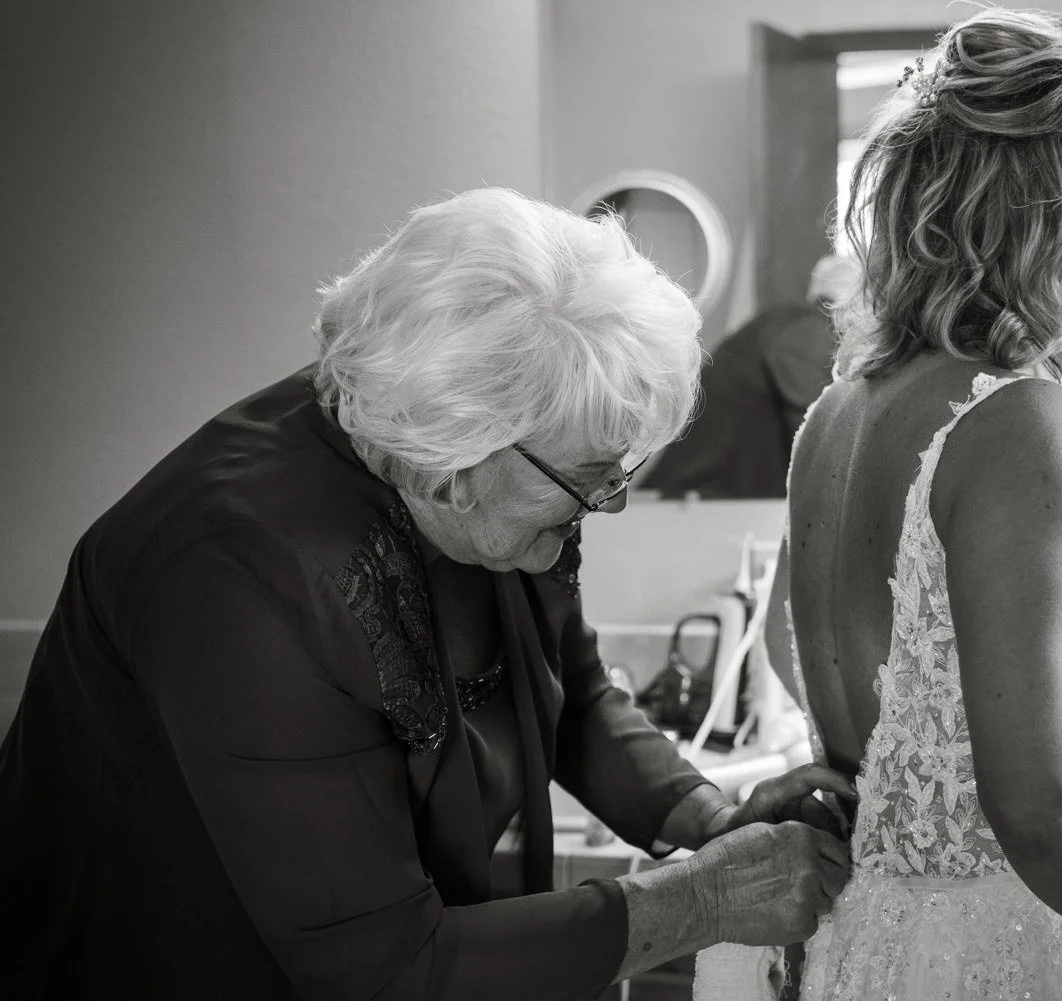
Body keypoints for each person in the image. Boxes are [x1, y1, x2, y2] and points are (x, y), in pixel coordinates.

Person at [0, 188, 855, 1001]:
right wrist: (700, 901)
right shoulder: (244, 574)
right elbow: (383, 969)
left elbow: (573, 693)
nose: (612, 502)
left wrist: (712, 818)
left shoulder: (508, 477)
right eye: (596, 479)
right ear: (453, 466)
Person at [721, 9, 1062, 1001]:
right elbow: (1049, 806)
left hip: (885, 947)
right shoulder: (1024, 424)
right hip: (1036, 956)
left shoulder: (840, 416)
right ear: (1040, 209)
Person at [640, 254, 859, 499]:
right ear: (854, 301)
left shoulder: (783, 322)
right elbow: (814, 426)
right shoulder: (808, 328)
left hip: (706, 488)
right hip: (711, 492)